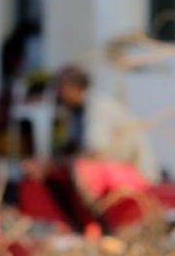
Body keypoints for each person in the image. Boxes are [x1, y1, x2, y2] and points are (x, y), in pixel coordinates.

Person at [19, 65, 159, 231]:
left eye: (60, 89)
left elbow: (95, 153)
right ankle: (77, 227)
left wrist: (53, 165)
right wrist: (44, 163)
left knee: (78, 169)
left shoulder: (98, 108)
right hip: (108, 169)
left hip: (135, 172)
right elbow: (70, 149)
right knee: (54, 172)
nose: (57, 94)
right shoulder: (75, 111)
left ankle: (103, 228)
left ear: (75, 88)